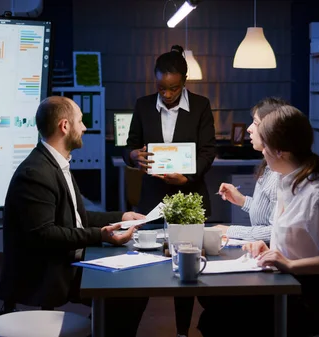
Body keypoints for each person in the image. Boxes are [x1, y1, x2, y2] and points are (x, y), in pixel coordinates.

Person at [197, 105, 319, 337]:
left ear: (280, 152)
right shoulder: (287, 182)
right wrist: (271, 249)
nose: (262, 151)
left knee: (216, 320)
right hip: (288, 285)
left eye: (265, 146)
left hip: (316, 300)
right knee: (211, 301)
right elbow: (297, 241)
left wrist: (290, 264)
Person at [0, 96, 148, 337]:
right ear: (65, 126)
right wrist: (100, 236)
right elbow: (45, 234)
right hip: (48, 274)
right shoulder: (35, 173)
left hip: (67, 262)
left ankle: (97, 330)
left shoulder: (55, 164)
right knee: (127, 293)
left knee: (132, 291)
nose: (85, 127)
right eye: (80, 121)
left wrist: (122, 216)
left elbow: (77, 217)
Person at [123, 45, 216, 337]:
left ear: (184, 82)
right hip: (152, 198)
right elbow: (129, 146)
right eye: (161, 88)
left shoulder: (200, 106)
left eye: (173, 89)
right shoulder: (142, 105)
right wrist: (133, 157)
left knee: (187, 271)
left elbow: (208, 151)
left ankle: (182, 332)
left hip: (189, 196)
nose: (167, 95)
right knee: (143, 266)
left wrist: (186, 177)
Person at [213, 97, 288, 242]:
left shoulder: (280, 173)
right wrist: (241, 200)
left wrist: (230, 230)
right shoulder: (269, 166)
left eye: (255, 123)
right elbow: (267, 213)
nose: (249, 129)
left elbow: (276, 231)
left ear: (270, 129)